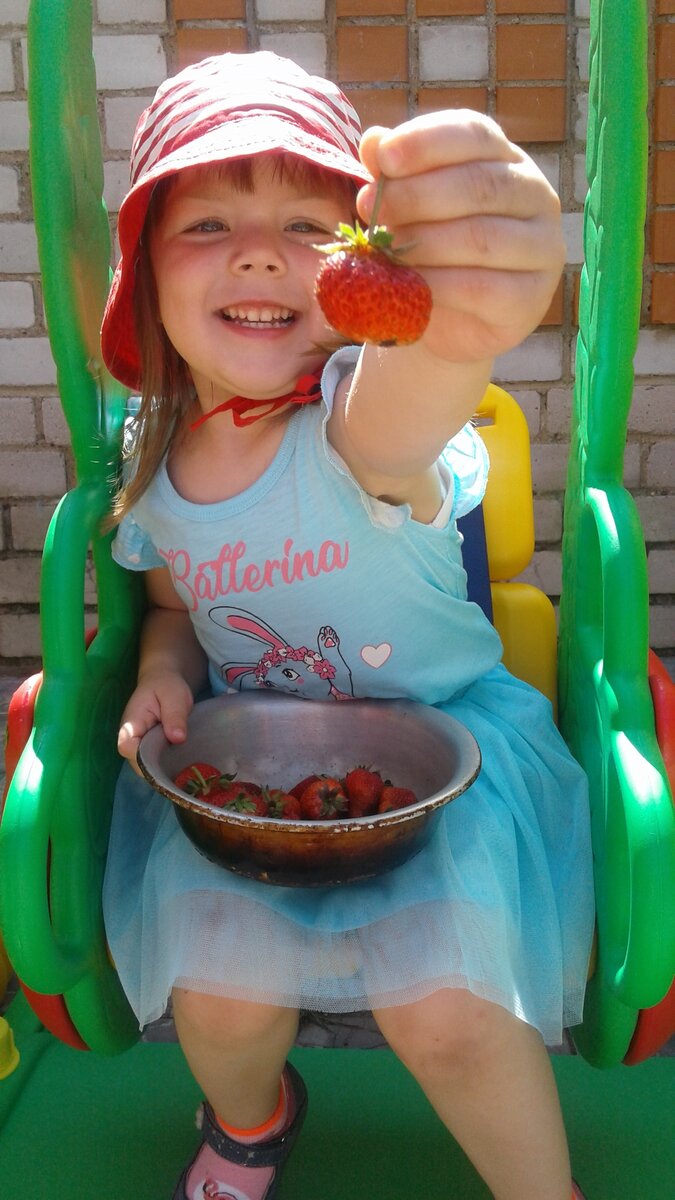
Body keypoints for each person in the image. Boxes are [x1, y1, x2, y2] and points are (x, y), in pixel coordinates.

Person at [100, 50, 594, 1200]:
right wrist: (165, 668)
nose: (257, 252)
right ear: (147, 276)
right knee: (218, 1000)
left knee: (449, 1014)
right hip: (254, 771)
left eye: (305, 226)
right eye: (207, 222)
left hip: (454, 764)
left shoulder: (352, 428)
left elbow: (407, 402)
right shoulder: (151, 454)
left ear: (359, 265)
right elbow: (174, 600)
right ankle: (251, 1122)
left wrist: (460, 329)